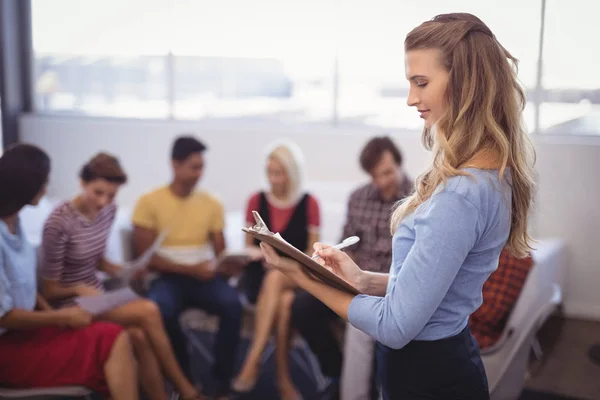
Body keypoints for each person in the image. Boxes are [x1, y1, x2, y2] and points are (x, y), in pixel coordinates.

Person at [257, 13, 536, 400]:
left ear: (466, 83)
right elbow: (431, 287)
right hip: (441, 364)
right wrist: (362, 280)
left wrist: (300, 275)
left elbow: (394, 325)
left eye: (421, 83)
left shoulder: (460, 195)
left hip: (429, 377)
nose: (411, 98)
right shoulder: (489, 176)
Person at [40, 153, 203, 400]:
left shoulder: (108, 211)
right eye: (98, 192)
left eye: (111, 195)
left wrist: (122, 269)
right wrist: (77, 289)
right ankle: (185, 388)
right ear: (82, 183)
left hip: (97, 296)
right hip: (70, 304)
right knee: (148, 310)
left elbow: (97, 259)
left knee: (139, 336)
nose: (104, 201)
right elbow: (49, 290)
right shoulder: (59, 222)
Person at [0, 144, 139, 400]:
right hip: (8, 347)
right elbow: (4, 316)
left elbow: (28, 290)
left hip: (30, 328)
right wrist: (60, 318)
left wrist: (55, 315)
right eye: (42, 183)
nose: (45, 189)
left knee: (125, 336)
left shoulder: (14, 223)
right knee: (113, 336)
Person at [290, 136, 413, 400]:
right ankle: (335, 374)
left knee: (365, 326)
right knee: (301, 307)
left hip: (387, 286)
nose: (383, 182)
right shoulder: (358, 198)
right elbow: (347, 241)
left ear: (399, 165)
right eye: (376, 176)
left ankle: (358, 389)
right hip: (350, 281)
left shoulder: (418, 200)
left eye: (388, 173)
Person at [132, 136, 243, 400]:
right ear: (175, 165)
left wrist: (231, 264)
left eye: (202, 167)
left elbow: (220, 253)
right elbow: (147, 258)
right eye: (194, 167)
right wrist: (192, 270)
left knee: (233, 305)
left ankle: (221, 382)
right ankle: (184, 380)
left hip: (205, 277)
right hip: (166, 279)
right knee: (163, 310)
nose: (199, 173)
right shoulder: (149, 202)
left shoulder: (212, 203)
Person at [233, 141, 321, 400]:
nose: (273, 179)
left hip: (295, 274)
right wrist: (260, 254)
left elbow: (310, 254)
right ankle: (283, 381)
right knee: (283, 303)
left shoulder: (309, 203)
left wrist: (284, 261)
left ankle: (253, 359)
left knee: (277, 277)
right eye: (270, 172)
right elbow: (248, 248)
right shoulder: (255, 199)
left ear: (292, 173)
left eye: (279, 173)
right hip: (261, 277)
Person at [470, 247, 534, 350]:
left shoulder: (504, 255)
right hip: (479, 330)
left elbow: (487, 315)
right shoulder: (521, 252)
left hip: (478, 335)